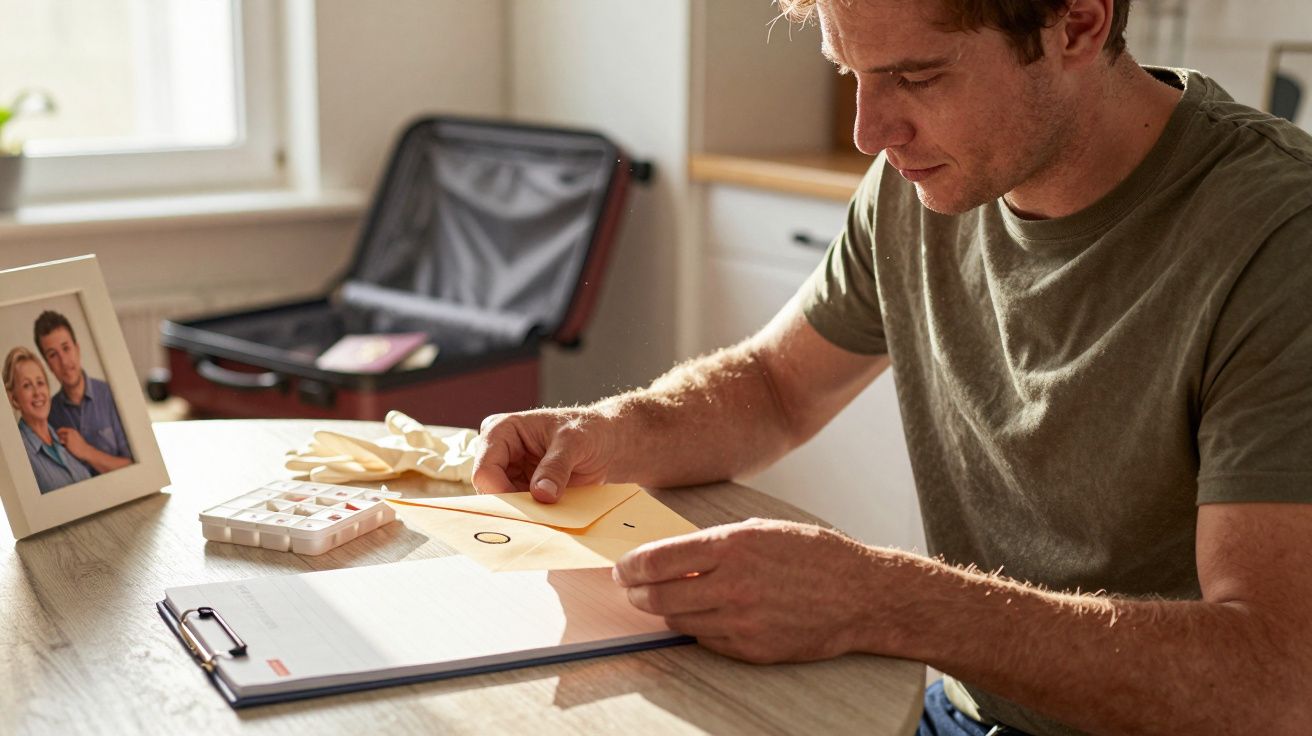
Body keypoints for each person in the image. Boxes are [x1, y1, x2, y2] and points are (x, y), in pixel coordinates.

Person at [471, 0, 1312, 734]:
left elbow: (1276, 684)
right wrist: (616, 429)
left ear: (1077, 23)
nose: (870, 132)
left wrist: (878, 598)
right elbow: (773, 388)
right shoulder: (916, 184)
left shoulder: (1278, 242)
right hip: (960, 709)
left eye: (917, 76)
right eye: (853, 73)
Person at [34, 310, 133, 475]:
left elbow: (136, 468)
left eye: (66, 348)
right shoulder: (48, 414)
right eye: (53, 355)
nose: (64, 362)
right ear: (47, 364)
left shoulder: (112, 394)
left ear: (77, 349)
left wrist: (86, 451)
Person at [4, 346, 93, 493]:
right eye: (27, 385)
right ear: (14, 399)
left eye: (40, 383)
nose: (37, 392)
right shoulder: (19, 454)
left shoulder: (69, 440)